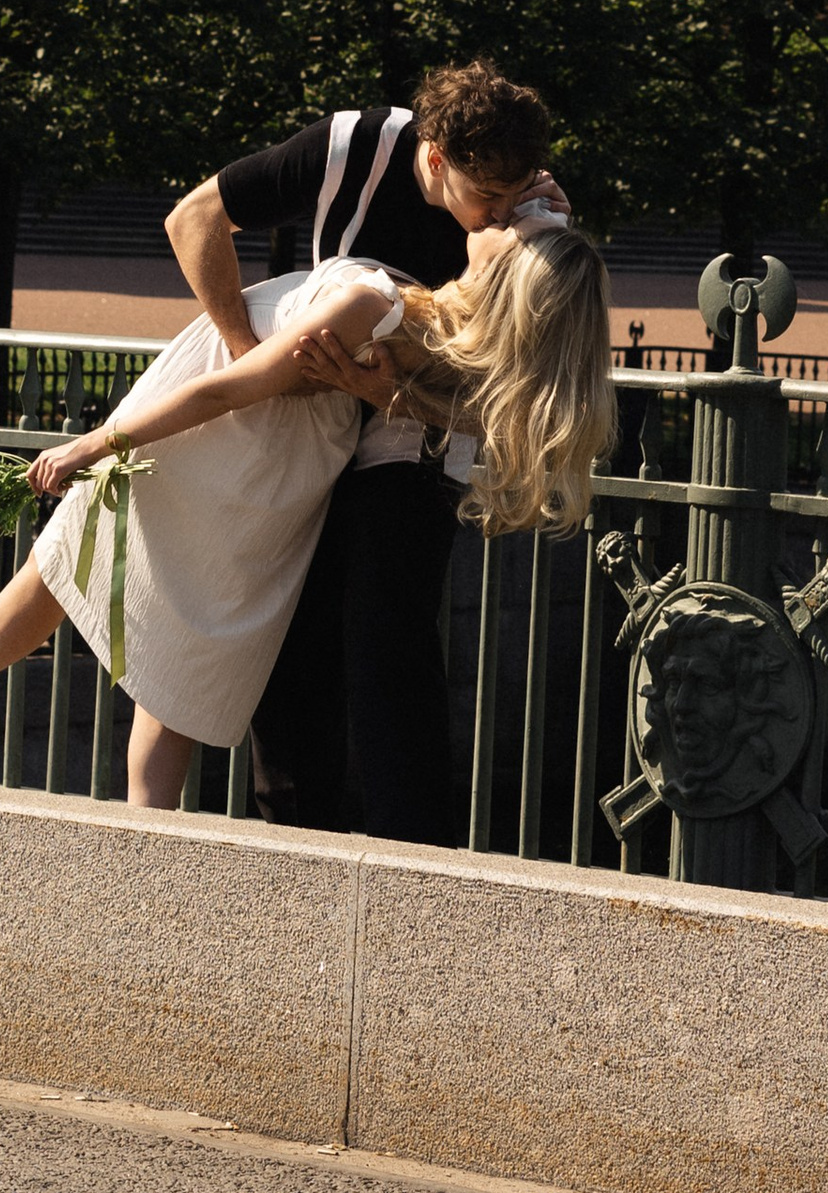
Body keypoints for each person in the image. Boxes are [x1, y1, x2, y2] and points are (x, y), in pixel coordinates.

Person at [0, 220, 613, 810]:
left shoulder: (374, 303)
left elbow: (226, 392)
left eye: (520, 226)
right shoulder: (449, 349)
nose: (512, 212)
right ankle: (138, 826)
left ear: (504, 271)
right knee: (187, 633)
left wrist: (94, 440)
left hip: (233, 438)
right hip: (281, 464)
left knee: (84, 547)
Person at [168, 63, 565, 841]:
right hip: (312, 435)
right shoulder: (355, 145)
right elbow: (194, 217)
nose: (496, 218)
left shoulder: (529, 209)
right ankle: (291, 855)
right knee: (291, 649)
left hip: (419, 440)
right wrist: (252, 356)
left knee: (389, 649)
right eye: (486, 201)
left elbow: (498, 394)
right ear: (436, 157)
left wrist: (378, 391)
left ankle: (413, 869)